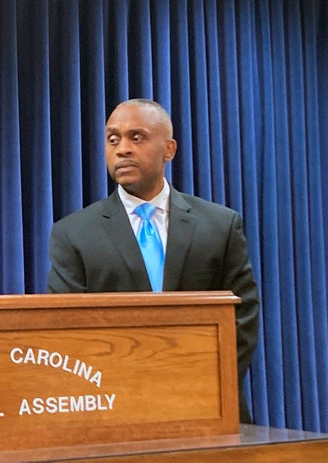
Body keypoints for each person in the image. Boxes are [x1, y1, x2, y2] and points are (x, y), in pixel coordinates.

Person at [47, 98, 260, 423]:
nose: (122, 149)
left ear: (169, 148)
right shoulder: (73, 234)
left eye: (137, 137)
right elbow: (67, 331)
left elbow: (242, 317)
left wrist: (202, 382)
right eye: (113, 139)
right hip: (114, 412)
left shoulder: (220, 225)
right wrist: (130, 390)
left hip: (210, 406)